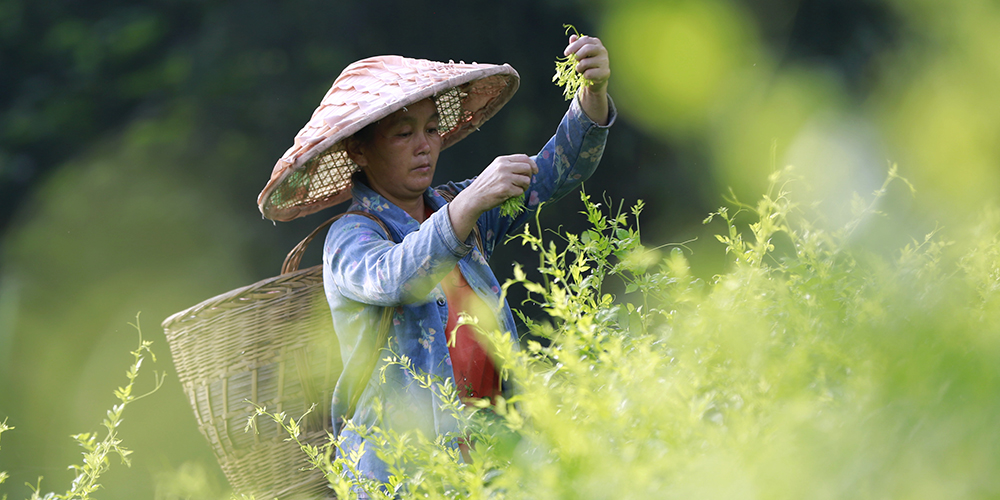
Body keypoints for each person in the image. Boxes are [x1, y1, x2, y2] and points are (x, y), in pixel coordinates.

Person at [257, 34, 614, 491]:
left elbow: (555, 171)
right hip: (402, 473)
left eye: (430, 128)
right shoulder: (352, 236)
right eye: (403, 134)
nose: (424, 145)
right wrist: (468, 205)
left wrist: (593, 92)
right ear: (359, 152)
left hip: (493, 461)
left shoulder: (453, 204)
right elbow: (398, 277)